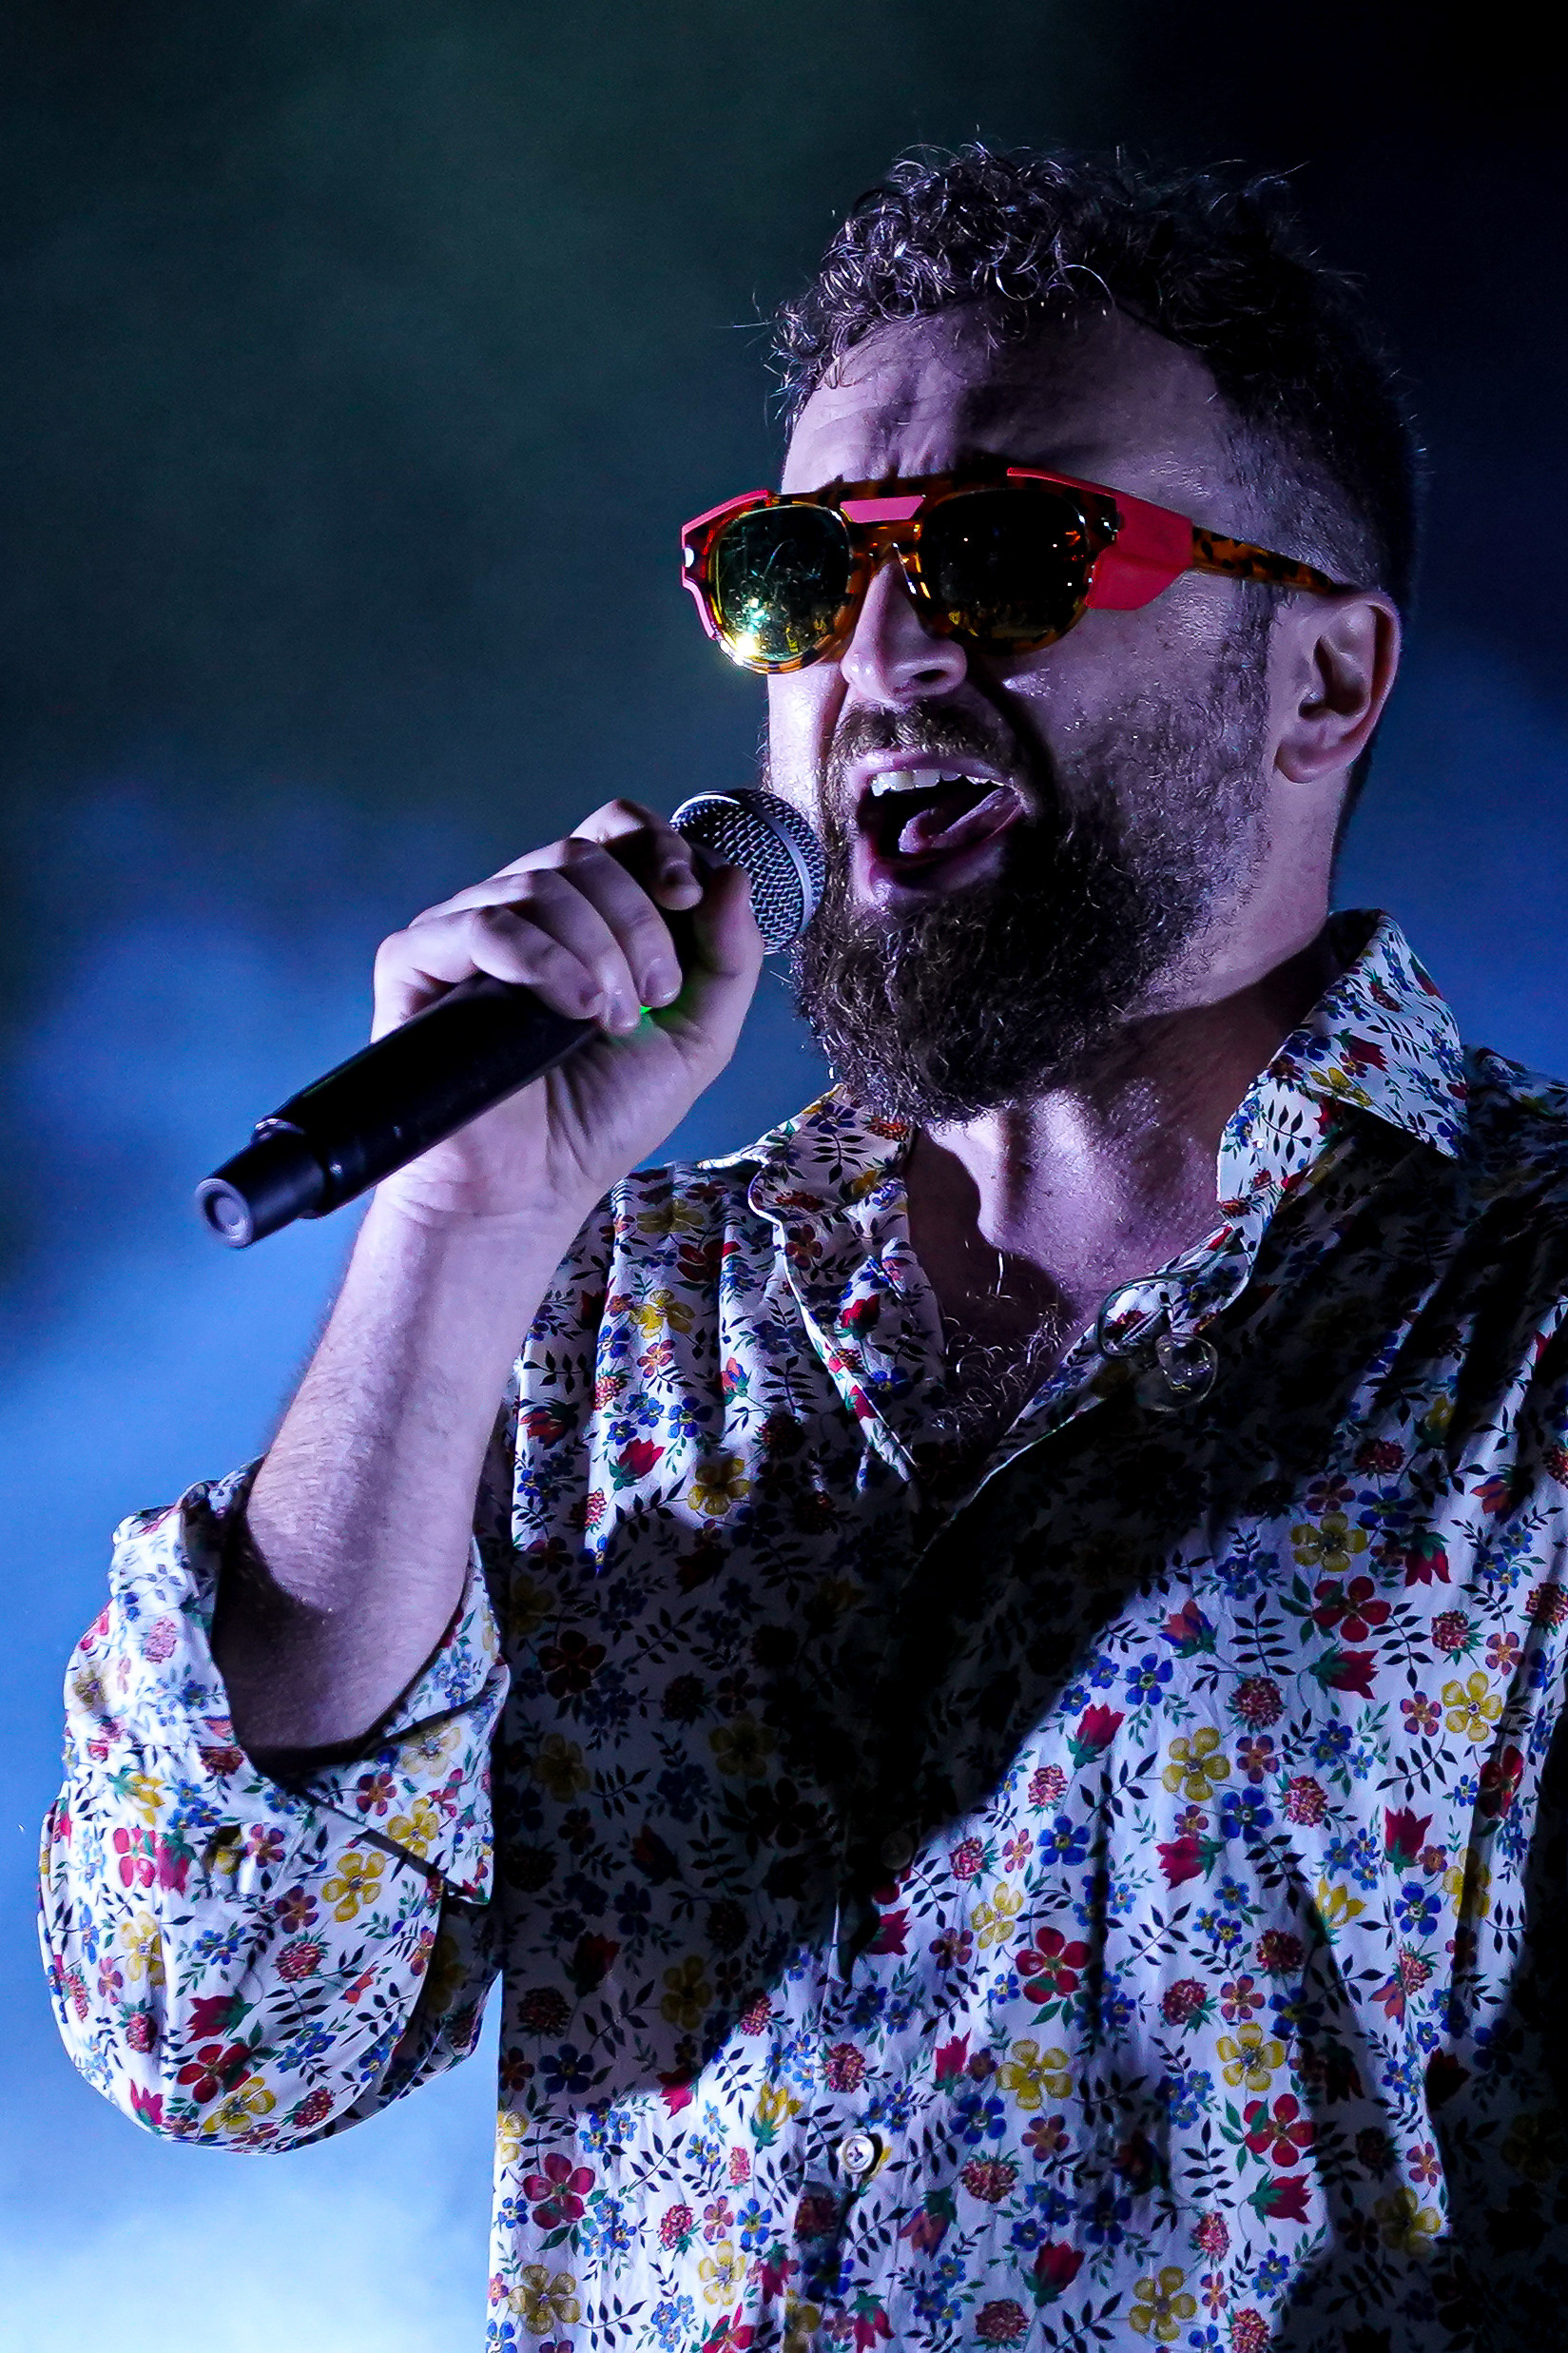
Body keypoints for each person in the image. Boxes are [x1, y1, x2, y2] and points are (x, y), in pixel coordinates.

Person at [41, 146, 1568, 2351]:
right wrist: (457, 1234)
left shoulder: (1524, 1320)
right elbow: (215, 2020)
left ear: (1322, 682)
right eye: (798, 572)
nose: (884, 652)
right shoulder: (603, 1318)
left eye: (1015, 557)